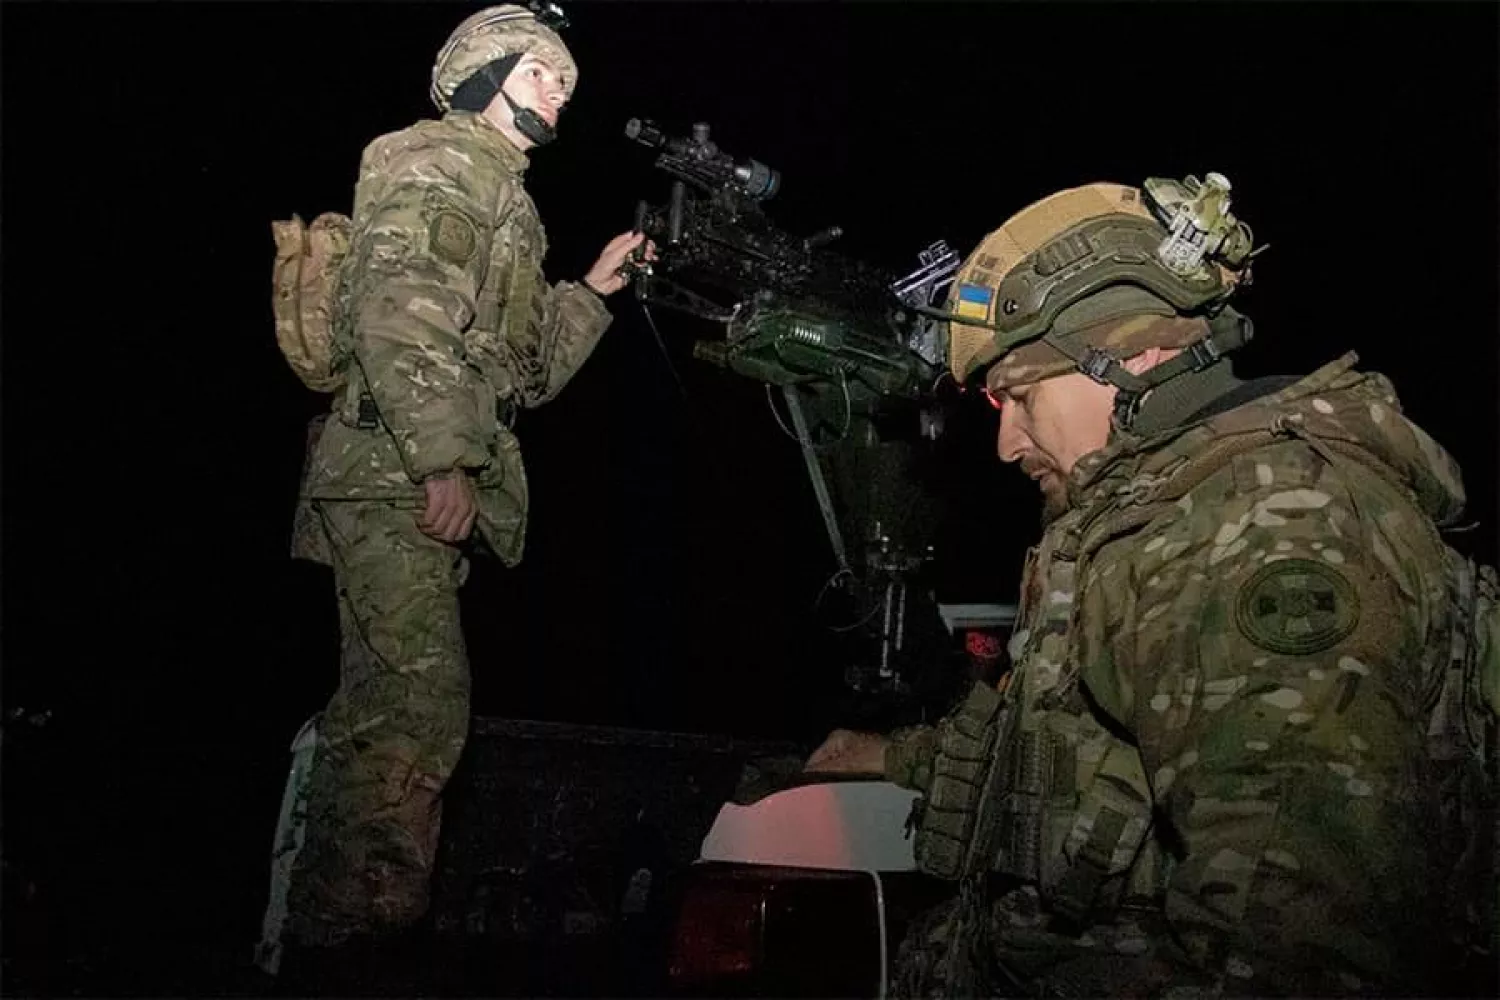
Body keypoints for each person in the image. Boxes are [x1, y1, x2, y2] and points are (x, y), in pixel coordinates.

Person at [806, 175, 1496, 996]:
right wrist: (895, 758)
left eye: (1019, 396)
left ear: (1134, 353)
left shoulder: (1265, 532)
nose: (1006, 441)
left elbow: (1306, 957)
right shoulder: (1161, 514)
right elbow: (1069, 757)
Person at [260, 3, 652, 987]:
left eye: (567, 78)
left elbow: (515, 375)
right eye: (538, 71)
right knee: (418, 707)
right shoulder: (436, 162)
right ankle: (358, 946)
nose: (559, 89)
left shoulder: (503, 197)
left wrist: (592, 293)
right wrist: (440, 461)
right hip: (396, 472)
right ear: (484, 73)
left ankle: (328, 930)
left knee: (389, 706)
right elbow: (401, 317)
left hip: (401, 470)